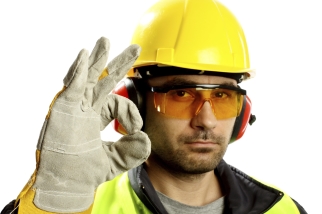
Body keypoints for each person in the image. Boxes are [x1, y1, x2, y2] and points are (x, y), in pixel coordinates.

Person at [1, 0, 307, 213]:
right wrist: (57, 202)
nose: (207, 121)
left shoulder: (282, 209)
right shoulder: (83, 204)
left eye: (223, 98)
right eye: (181, 95)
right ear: (133, 104)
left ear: (242, 113)